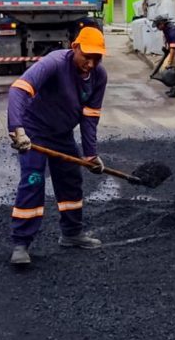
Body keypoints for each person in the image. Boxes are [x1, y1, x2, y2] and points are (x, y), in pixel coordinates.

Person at [7, 26, 108, 265]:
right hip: (35, 130)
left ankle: (71, 234)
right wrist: (17, 129)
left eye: (97, 58)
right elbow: (18, 90)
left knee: (71, 181)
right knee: (33, 181)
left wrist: (91, 155)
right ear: (75, 48)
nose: (91, 63)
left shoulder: (99, 76)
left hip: (62, 133)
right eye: (87, 56)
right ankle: (21, 243)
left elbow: (90, 117)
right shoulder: (54, 63)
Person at [152, 15, 175, 98]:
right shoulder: (166, 28)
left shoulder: (173, 30)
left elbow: (173, 48)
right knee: (173, 68)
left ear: (162, 23)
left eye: (158, 25)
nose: (157, 28)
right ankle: (174, 88)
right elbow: (169, 44)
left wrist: (169, 61)